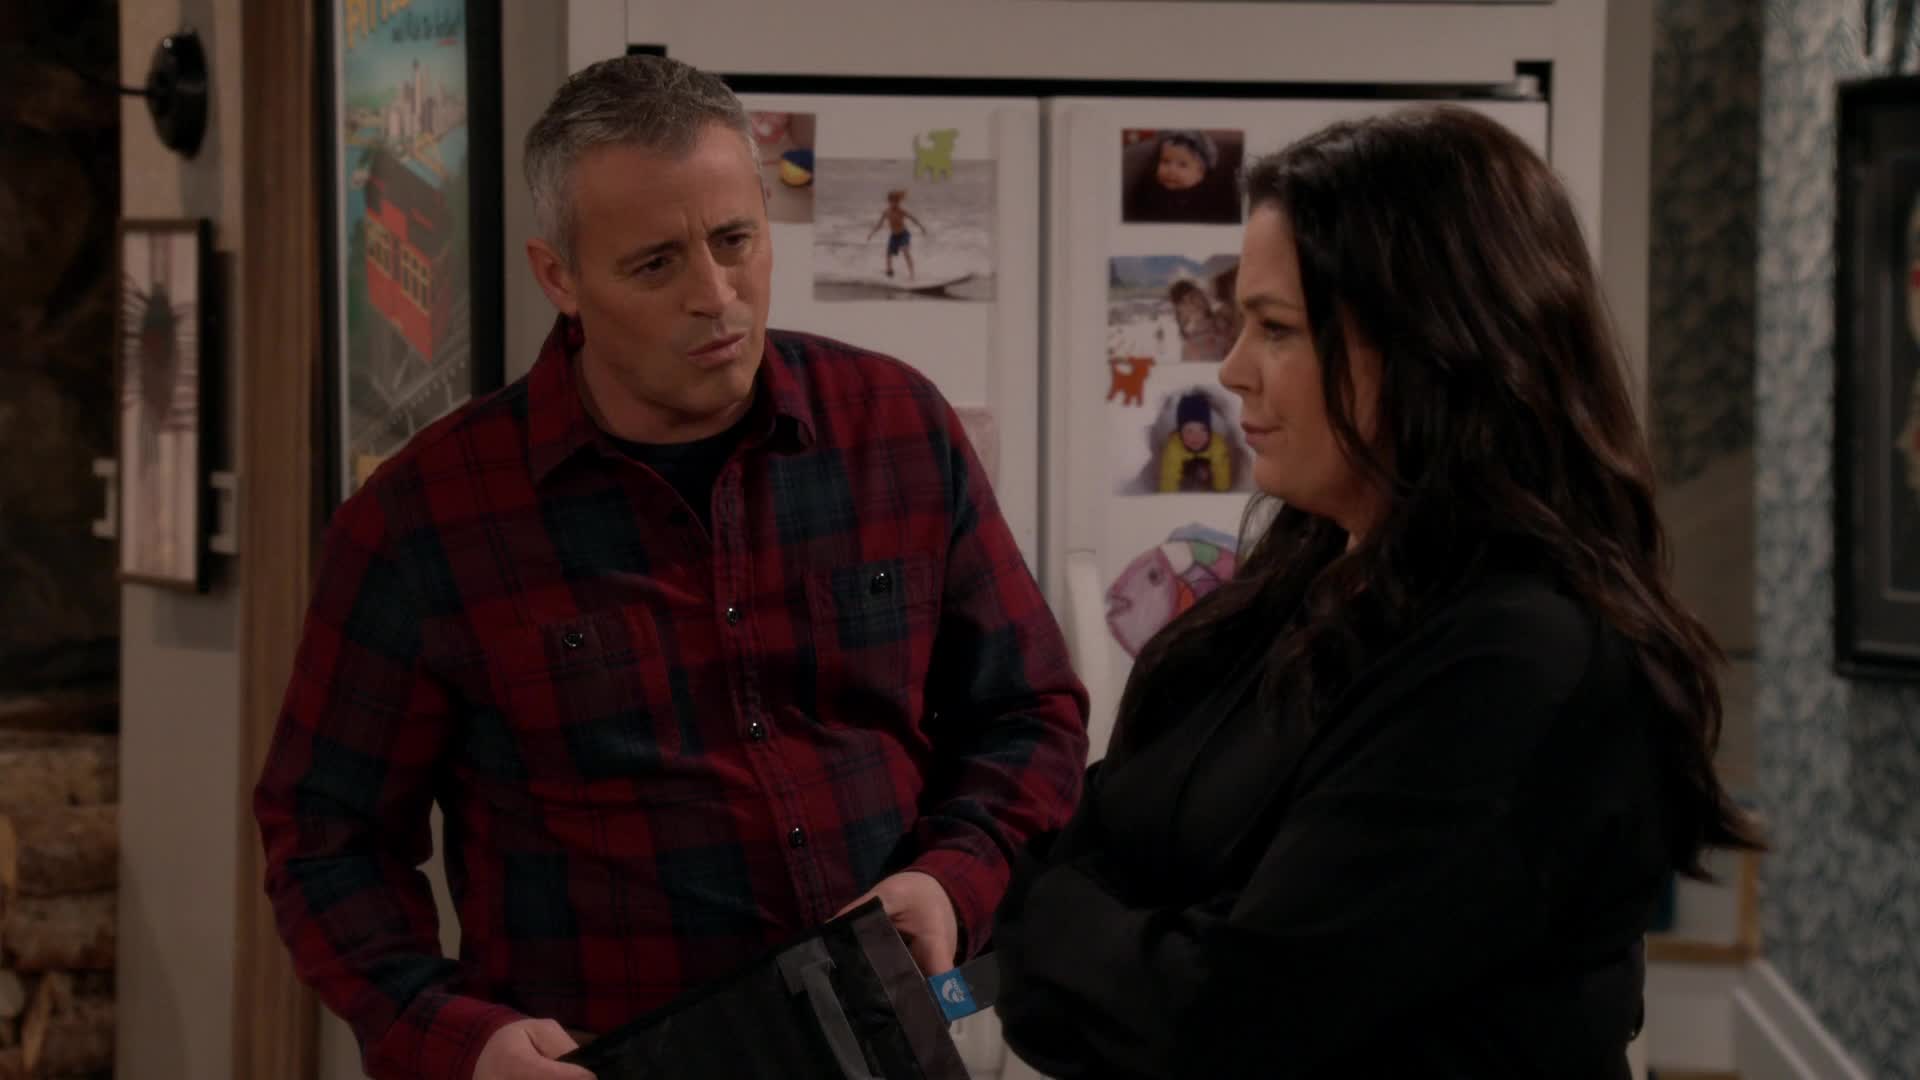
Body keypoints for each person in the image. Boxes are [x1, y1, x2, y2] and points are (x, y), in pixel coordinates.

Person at [253, 55, 1088, 1080]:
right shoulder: (423, 520)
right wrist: (458, 1038)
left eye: (735, 240)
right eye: (655, 265)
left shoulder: (895, 428)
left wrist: (954, 879)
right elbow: (324, 837)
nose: (716, 296)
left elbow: (1030, 711)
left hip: (892, 1044)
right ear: (559, 277)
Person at [992, 104, 1764, 1079]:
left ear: (1432, 347)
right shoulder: (1296, 581)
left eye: (1276, 329)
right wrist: (1100, 940)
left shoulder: (1522, 657)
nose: (1231, 368)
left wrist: (1053, 929)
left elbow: (1225, 1021)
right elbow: (1110, 855)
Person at [1156, 391, 1231, 493]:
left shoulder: (1216, 444)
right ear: (1180, 432)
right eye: (1189, 431)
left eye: (1203, 430)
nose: (1196, 437)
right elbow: (1169, 474)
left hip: (1206, 462)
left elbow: (1221, 470)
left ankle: (1202, 472)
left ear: (1209, 430)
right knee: (1181, 468)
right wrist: (1168, 496)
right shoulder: (1174, 446)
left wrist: (1222, 491)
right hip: (1185, 465)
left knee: (1207, 471)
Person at [866, 187, 929, 278]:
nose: (895, 204)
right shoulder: (886, 212)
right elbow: (879, 224)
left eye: (897, 202)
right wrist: (871, 234)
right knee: (888, 255)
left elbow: (913, 219)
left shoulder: (901, 211)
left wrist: (921, 228)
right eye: (893, 201)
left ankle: (912, 274)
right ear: (889, 201)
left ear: (899, 202)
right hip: (894, 236)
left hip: (903, 234)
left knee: (905, 251)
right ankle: (889, 273)